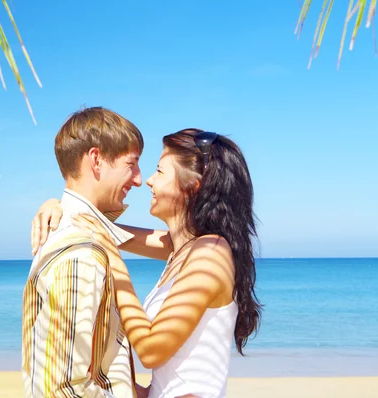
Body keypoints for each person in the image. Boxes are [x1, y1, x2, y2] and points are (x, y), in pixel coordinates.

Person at [31, 129, 262, 398]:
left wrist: (113, 261)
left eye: (160, 171)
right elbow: (103, 228)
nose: (149, 181)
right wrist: (57, 206)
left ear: (193, 185)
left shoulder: (211, 252)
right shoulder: (183, 250)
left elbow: (151, 349)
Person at [22, 106, 147, 397]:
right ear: (96, 160)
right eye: (132, 164)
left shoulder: (76, 233)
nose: (139, 179)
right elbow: (61, 388)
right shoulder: (81, 253)